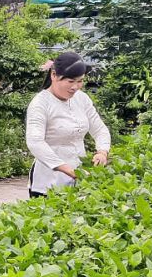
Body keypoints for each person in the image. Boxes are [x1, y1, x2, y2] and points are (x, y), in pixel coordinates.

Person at [25, 51, 111, 198]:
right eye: (70, 81)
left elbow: (99, 129)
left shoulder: (81, 99)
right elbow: (35, 142)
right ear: (53, 75)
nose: (75, 87)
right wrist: (69, 170)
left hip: (80, 181)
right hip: (48, 182)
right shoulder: (40, 103)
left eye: (80, 81)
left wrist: (102, 152)